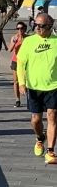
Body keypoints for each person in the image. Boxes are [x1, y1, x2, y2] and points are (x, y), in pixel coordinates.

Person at [16, 13, 57, 163]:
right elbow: (20, 63)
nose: (37, 28)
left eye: (41, 25)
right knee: (35, 120)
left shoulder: (56, 41)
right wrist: (21, 83)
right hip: (33, 87)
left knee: (52, 116)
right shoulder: (29, 41)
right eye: (35, 24)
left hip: (53, 86)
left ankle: (51, 151)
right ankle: (40, 138)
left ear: (49, 27)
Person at [9, 22, 28, 108]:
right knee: (16, 81)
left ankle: (29, 98)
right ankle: (17, 99)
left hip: (27, 62)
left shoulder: (29, 38)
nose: (20, 30)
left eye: (21, 28)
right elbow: (10, 49)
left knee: (27, 80)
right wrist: (14, 42)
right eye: (18, 28)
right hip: (16, 61)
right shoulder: (14, 37)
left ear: (25, 29)